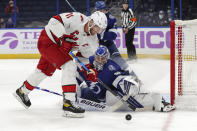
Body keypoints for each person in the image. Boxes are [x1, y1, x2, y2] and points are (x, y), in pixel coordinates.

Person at [13, 11, 107, 118]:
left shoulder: (93, 41)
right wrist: (62, 38)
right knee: (69, 65)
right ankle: (68, 104)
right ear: (91, 22)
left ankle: (21, 92)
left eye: (100, 29)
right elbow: (54, 21)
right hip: (48, 40)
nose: (98, 31)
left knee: (43, 71)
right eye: (97, 28)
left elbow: (84, 58)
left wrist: (88, 70)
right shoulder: (77, 18)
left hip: (60, 50)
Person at [76, 45, 175, 112]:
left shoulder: (111, 67)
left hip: (106, 97)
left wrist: (128, 85)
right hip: (92, 95)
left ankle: (158, 101)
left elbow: (120, 77)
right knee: (80, 87)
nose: (100, 61)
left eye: (103, 58)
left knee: (124, 87)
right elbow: (77, 75)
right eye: (98, 58)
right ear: (95, 57)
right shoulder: (86, 65)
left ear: (107, 58)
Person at [94, 1, 130, 71]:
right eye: (99, 10)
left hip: (108, 43)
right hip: (96, 44)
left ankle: (129, 73)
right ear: (96, 10)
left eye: (103, 9)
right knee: (96, 62)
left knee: (119, 60)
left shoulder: (111, 19)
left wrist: (99, 33)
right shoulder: (91, 19)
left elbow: (113, 35)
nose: (102, 12)